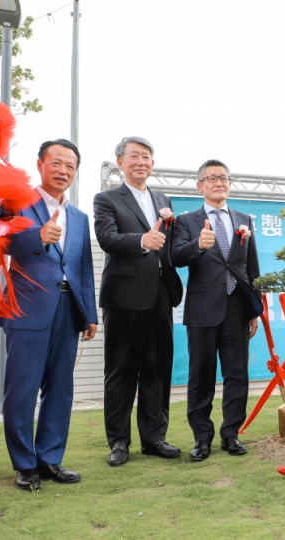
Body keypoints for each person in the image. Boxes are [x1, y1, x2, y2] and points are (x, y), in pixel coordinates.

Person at [0, 139, 97, 490]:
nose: (63, 171)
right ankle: (24, 465)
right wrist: (37, 235)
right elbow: (1, 242)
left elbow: (82, 268)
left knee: (60, 389)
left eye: (70, 166)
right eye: (56, 163)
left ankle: (50, 459)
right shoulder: (17, 203)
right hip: (27, 308)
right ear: (40, 164)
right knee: (22, 391)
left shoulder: (80, 218)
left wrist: (90, 314)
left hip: (69, 311)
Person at [93, 137, 184, 466]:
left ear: (153, 163)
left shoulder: (163, 198)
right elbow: (107, 239)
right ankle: (118, 442)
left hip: (160, 295)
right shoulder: (106, 199)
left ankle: (154, 438)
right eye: (134, 157)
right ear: (120, 162)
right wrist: (142, 241)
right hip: (123, 297)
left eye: (146, 157)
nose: (141, 162)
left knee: (157, 369)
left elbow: (171, 245)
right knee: (120, 372)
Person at [171, 159, 262, 461]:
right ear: (200, 186)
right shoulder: (187, 221)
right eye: (211, 178)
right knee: (201, 376)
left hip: (237, 308)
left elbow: (252, 268)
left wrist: (254, 309)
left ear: (229, 183)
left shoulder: (243, 219)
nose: (218, 182)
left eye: (223, 177)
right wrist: (198, 244)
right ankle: (202, 438)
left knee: (237, 375)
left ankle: (231, 434)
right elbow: (176, 257)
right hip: (202, 309)